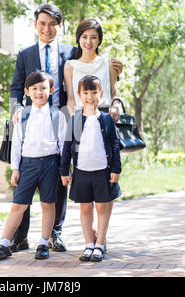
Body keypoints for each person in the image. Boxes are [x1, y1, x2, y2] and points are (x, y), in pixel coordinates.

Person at [9, 3, 124, 253]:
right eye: (42, 23)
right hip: (31, 119)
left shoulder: (71, 51)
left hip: (64, 117)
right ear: (35, 25)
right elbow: (16, 88)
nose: (47, 29)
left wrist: (117, 71)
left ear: (59, 26)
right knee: (25, 177)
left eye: (52, 24)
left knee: (61, 175)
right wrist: (16, 108)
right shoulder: (25, 54)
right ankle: (20, 235)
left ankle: (55, 233)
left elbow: (93, 74)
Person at [0, 71, 67, 261]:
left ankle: (43, 243)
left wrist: (65, 170)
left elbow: (64, 146)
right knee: (18, 205)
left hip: (50, 163)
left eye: (43, 88)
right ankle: (4, 243)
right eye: (34, 89)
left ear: (51, 90)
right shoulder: (21, 116)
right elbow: (16, 145)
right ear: (27, 92)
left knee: (48, 204)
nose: (39, 92)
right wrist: (15, 169)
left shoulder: (59, 115)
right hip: (27, 165)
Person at [60, 75, 122, 262]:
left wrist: (116, 169)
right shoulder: (75, 119)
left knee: (102, 207)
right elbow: (67, 146)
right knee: (85, 208)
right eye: (85, 93)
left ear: (100, 94)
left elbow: (115, 144)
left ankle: (100, 243)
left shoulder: (106, 119)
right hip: (81, 171)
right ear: (79, 95)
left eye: (93, 92)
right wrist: (64, 170)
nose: (90, 96)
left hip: (102, 170)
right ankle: (89, 243)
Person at [64, 18, 122, 121]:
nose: (88, 42)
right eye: (84, 37)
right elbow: (71, 99)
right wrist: (74, 123)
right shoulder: (70, 66)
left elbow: (114, 94)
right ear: (78, 39)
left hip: (105, 118)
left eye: (93, 37)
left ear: (99, 40)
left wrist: (116, 106)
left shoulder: (108, 63)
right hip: (80, 118)